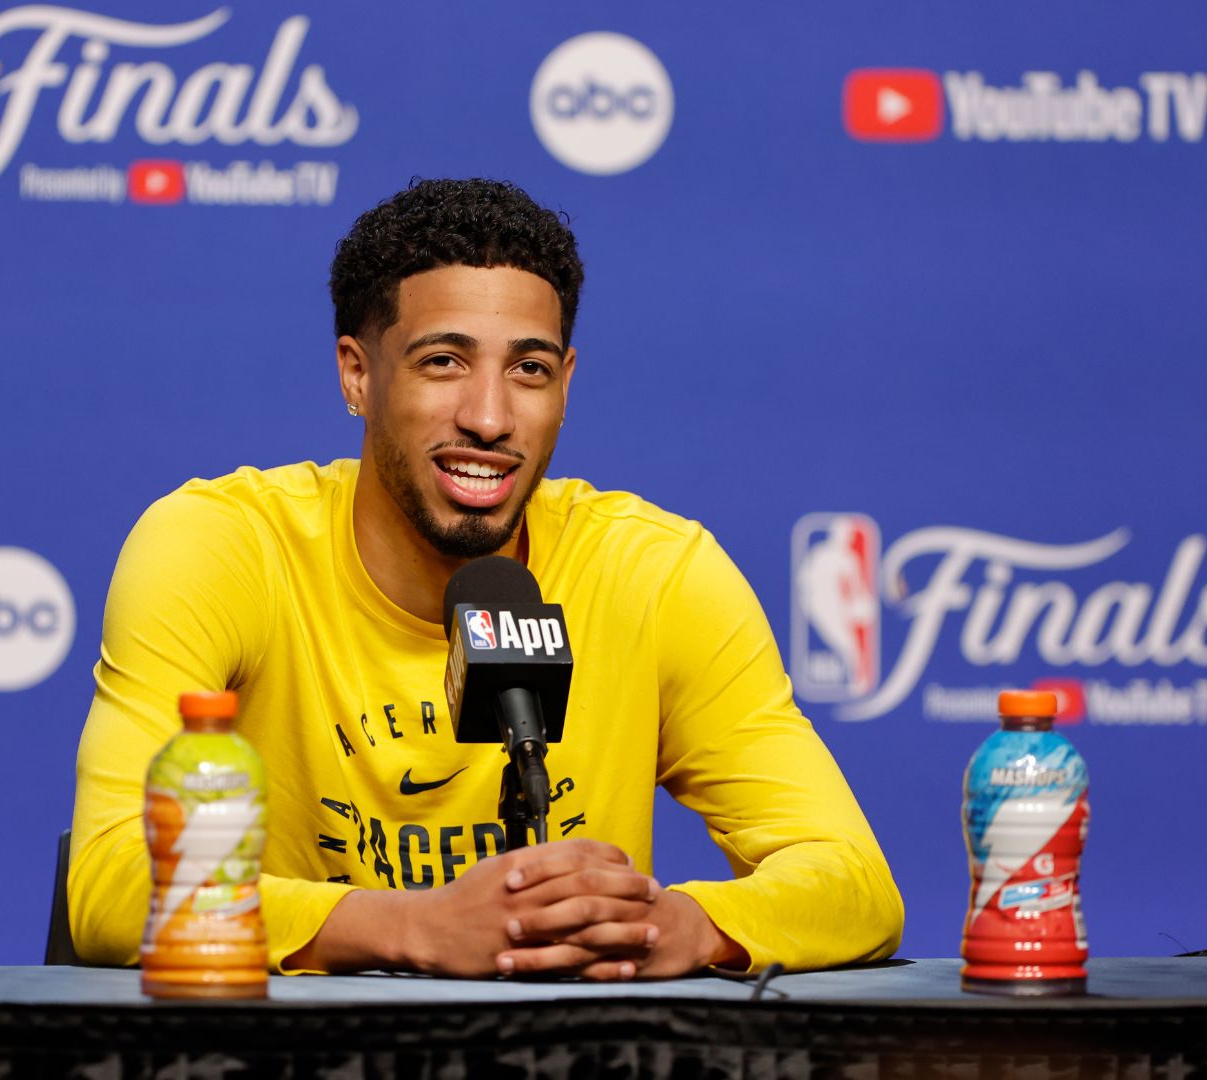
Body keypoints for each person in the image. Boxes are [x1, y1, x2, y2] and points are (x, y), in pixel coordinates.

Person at [69, 178, 903, 980]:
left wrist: (681, 926)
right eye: (443, 362)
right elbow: (110, 884)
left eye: (529, 370)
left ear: (566, 384)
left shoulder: (654, 572)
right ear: (358, 374)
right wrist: (410, 928)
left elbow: (855, 884)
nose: (491, 417)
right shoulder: (224, 547)